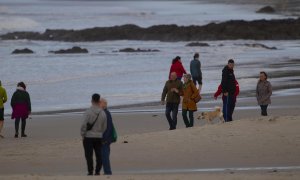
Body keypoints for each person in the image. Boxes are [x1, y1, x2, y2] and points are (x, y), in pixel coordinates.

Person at [81, 94, 107, 176]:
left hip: (88, 136)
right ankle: (97, 171)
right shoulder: (103, 113)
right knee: (99, 155)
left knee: (89, 155)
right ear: (99, 101)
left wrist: (82, 134)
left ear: (92, 101)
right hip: (98, 136)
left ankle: (90, 171)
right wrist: (100, 133)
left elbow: (83, 125)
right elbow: (104, 127)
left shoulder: (87, 112)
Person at [99, 98, 114, 175]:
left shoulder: (105, 113)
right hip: (106, 139)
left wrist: (104, 139)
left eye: (99, 103)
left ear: (103, 104)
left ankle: (108, 172)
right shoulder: (105, 112)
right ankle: (107, 172)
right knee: (105, 156)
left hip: (105, 139)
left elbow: (108, 128)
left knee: (104, 156)